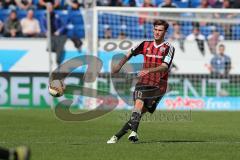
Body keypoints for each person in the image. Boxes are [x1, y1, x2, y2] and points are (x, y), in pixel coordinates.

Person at [107, 19, 175, 144]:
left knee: (140, 113)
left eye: (160, 30)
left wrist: (149, 70)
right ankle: (134, 133)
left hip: (159, 85)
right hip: (144, 81)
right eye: (155, 29)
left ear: (165, 32)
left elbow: (165, 66)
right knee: (138, 105)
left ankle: (117, 136)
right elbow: (129, 54)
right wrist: (118, 66)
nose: (157, 32)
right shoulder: (144, 44)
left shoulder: (169, 48)